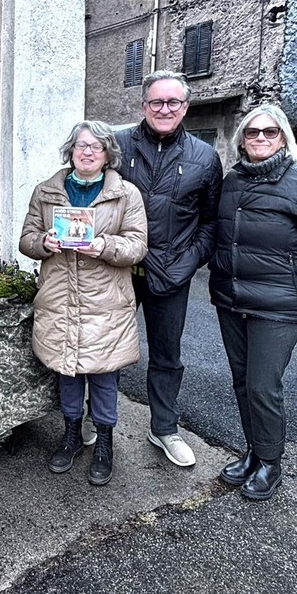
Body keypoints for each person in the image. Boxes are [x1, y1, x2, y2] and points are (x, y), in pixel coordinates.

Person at [209, 104, 297, 500]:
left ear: (284, 137)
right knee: (241, 383)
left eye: (270, 132)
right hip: (233, 300)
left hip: (281, 306)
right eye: (252, 133)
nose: (261, 139)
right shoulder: (233, 181)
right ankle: (254, 452)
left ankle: (271, 462)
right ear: (242, 141)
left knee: (262, 385)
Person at [19, 121, 147, 486]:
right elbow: (25, 239)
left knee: (104, 374)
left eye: (96, 147)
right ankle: (72, 434)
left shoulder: (126, 194)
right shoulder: (47, 192)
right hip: (60, 298)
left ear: (108, 154)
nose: (87, 152)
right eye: (80, 146)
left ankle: (104, 442)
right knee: (67, 372)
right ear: (70, 151)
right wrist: (43, 242)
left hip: (104, 301)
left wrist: (106, 246)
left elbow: (138, 245)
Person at [114, 70, 223, 467]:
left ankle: (163, 428)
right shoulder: (118, 145)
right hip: (118, 269)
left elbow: (212, 222)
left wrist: (190, 262)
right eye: (156, 102)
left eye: (172, 102)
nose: (164, 109)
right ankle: (97, 420)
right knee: (106, 347)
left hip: (171, 272)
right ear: (143, 106)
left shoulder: (205, 157)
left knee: (166, 355)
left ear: (185, 107)